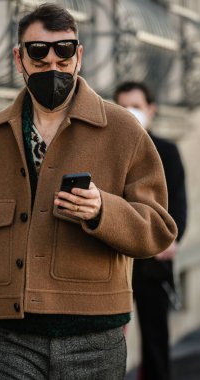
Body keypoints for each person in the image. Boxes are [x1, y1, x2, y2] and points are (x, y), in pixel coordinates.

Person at [0, 4, 177, 379]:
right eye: (38, 52)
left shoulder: (124, 132)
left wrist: (103, 210)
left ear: (79, 55)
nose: (52, 63)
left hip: (94, 339)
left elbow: (158, 229)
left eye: (64, 50)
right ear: (19, 58)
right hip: (8, 339)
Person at [114, 81, 187, 380]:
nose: (130, 113)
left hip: (154, 262)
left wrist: (172, 240)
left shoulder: (168, 151)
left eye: (136, 106)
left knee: (156, 341)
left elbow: (179, 204)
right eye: (123, 106)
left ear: (151, 110)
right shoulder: (110, 151)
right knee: (112, 342)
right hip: (116, 263)